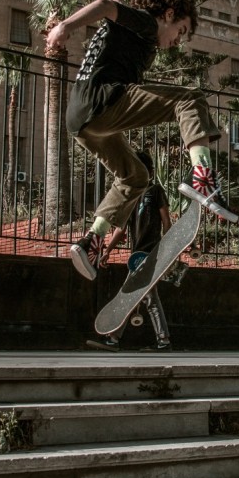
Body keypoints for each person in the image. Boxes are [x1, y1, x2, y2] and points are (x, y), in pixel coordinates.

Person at [47, 0, 237, 281]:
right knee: (190, 99)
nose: (178, 40)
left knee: (136, 176)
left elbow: (113, 8)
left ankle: (91, 242)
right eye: (181, 31)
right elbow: (106, 7)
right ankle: (202, 177)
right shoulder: (149, 24)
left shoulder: (131, 25)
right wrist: (65, 26)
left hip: (80, 121)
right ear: (170, 14)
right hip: (104, 102)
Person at [86, 150, 174, 352]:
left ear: (148, 171)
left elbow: (167, 221)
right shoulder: (132, 196)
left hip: (152, 253)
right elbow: (120, 228)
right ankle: (162, 340)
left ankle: (114, 339)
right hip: (136, 256)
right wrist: (107, 250)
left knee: (130, 294)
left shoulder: (156, 191)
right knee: (146, 297)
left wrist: (166, 250)